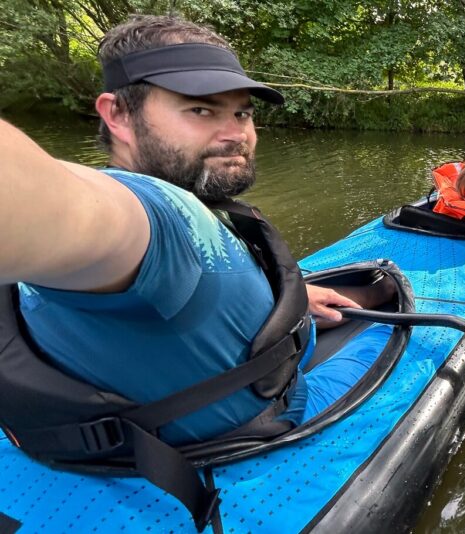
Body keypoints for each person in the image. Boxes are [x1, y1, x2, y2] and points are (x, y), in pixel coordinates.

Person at [0, 15, 394, 527]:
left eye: (243, 113)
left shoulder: (181, 212)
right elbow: (45, 201)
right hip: (258, 426)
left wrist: (290, 300)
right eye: (201, 109)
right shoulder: (145, 216)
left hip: (108, 434)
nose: (236, 134)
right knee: (389, 317)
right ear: (117, 113)